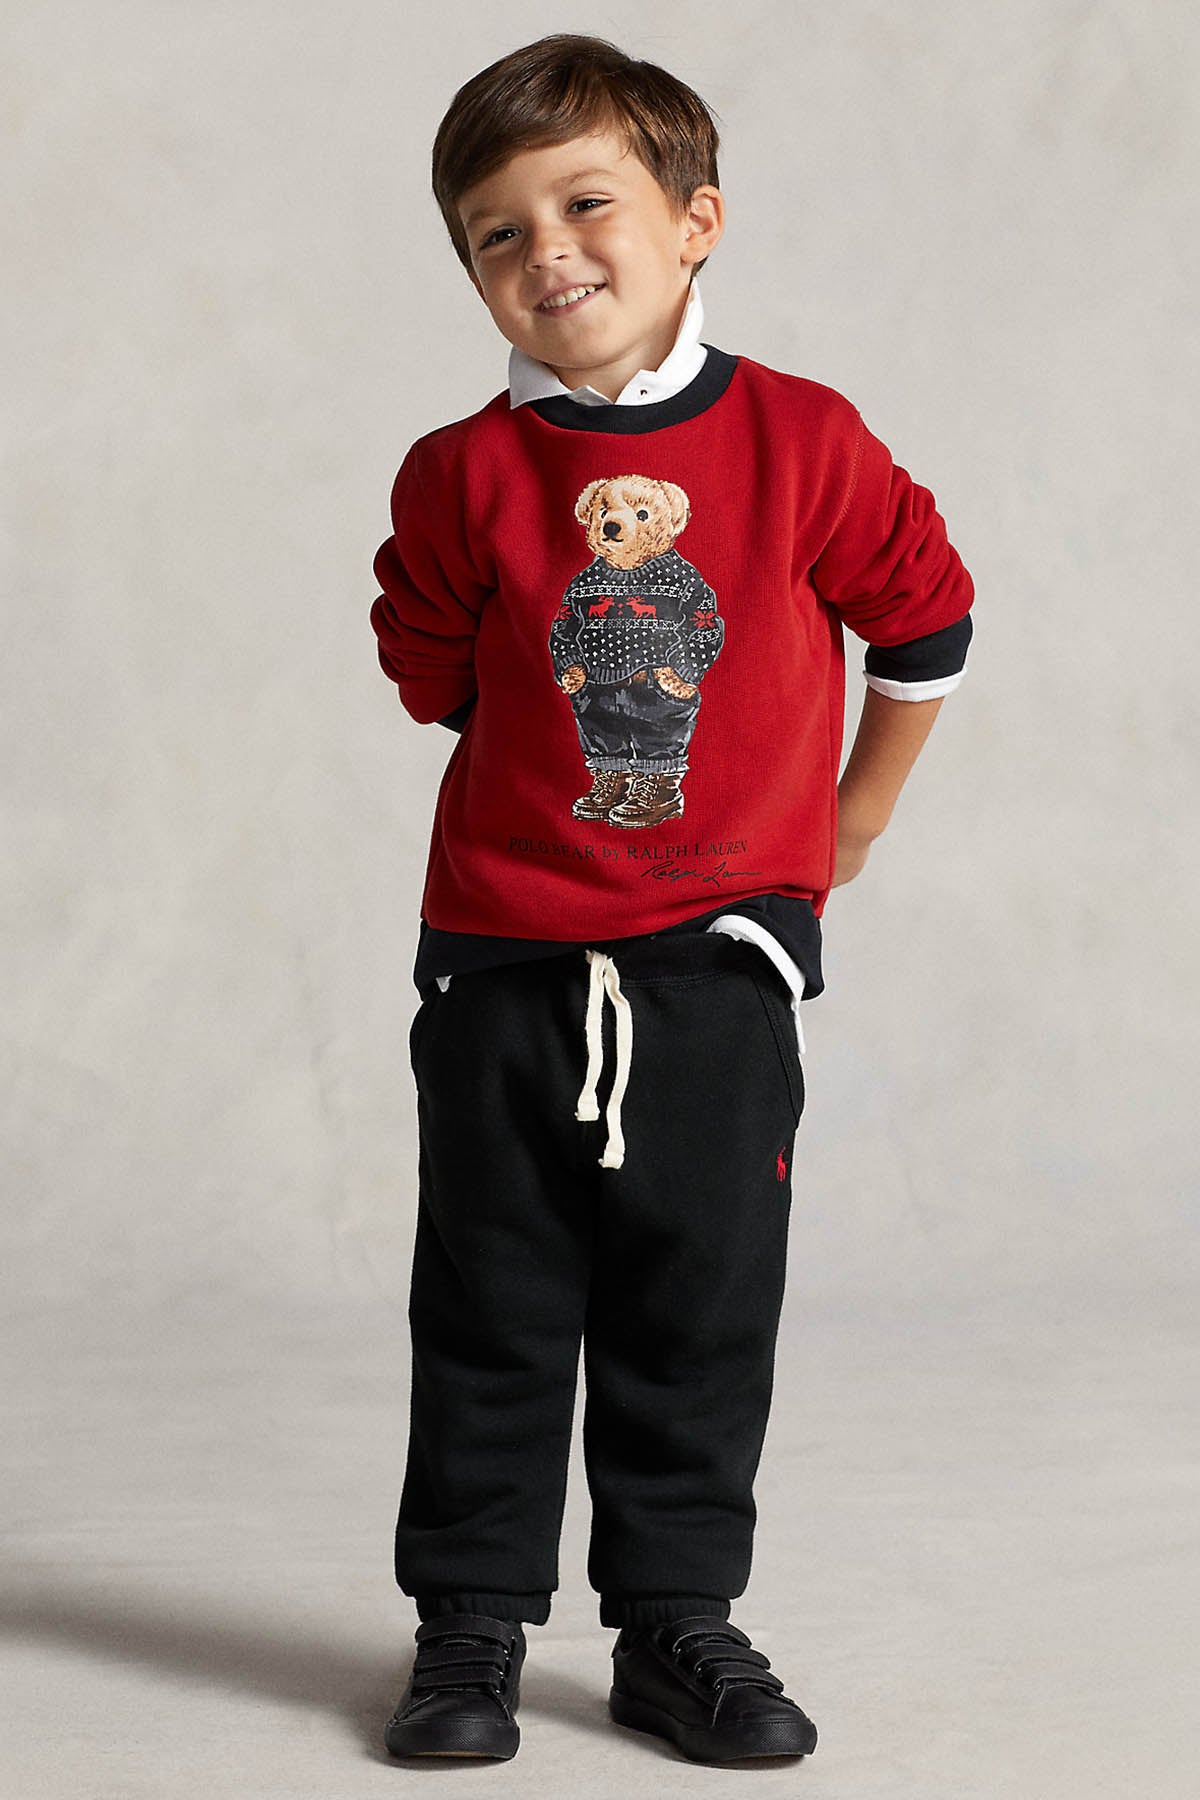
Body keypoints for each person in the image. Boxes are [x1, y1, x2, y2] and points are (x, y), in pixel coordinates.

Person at [368, 31, 974, 1766]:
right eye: (495, 230)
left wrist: (848, 824)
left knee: (697, 1299)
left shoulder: (802, 439)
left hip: (715, 959)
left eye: (586, 204)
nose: (544, 250)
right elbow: (432, 668)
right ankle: (470, 1620)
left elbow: (926, 619)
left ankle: (676, 1622)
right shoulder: (459, 474)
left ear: (696, 221)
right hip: (503, 959)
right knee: (488, 1298)